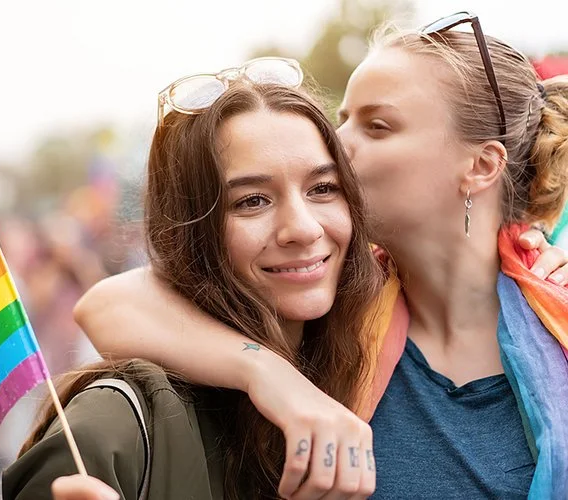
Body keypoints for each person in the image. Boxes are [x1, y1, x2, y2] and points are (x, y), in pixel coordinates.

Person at [72, 13, 568, 499]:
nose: (336, 144)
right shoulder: (327, 312)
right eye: (343, 119)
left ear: (481, 165)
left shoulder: (555, 323)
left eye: (377, 126)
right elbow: (107, 304)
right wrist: (269, 374)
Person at [3, 60, 384, 499]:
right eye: (253, 201)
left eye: (322, 188)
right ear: (189, 231)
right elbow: (101, 301)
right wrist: (265, 371)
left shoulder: (382, 351)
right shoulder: (111, 428)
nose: (303, 228)